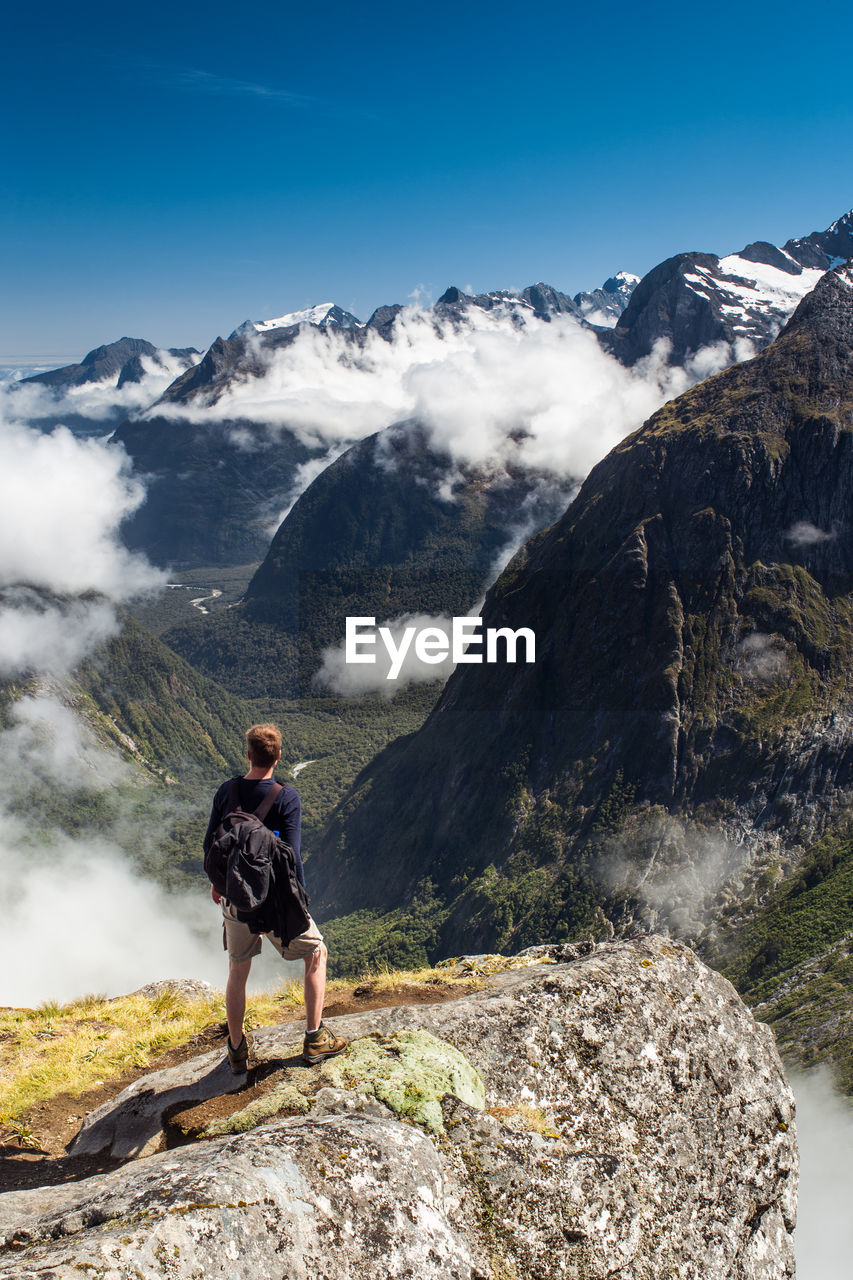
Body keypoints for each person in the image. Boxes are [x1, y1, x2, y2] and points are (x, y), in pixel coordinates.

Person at [203, 722, 346, 1073]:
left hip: (236, 897)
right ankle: (314, 1039)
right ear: (279, 756)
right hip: (276, 900)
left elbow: (210, 845)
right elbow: (292, 856)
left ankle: (236, 1050)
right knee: (315, 952)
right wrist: (299, 900)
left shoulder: (227, 791)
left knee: (238, 969)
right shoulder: (286, 797)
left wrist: (218, 885)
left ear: (248, 754)